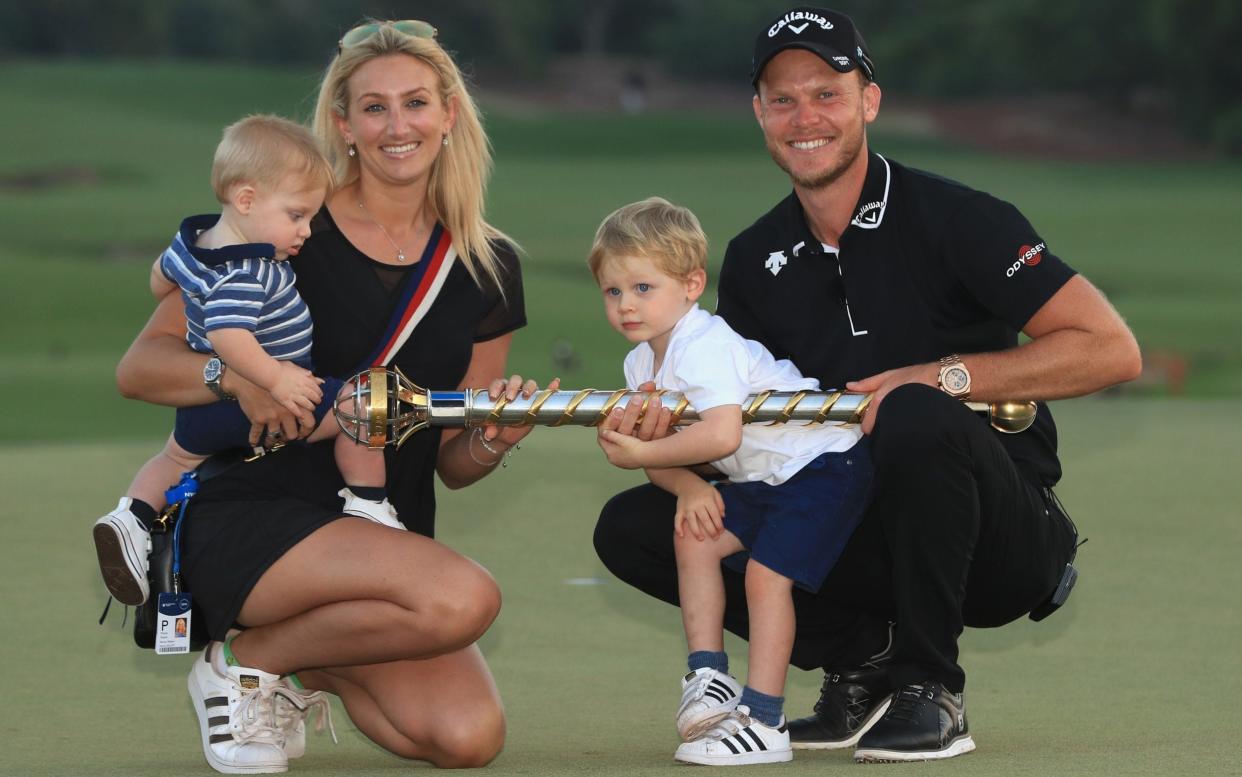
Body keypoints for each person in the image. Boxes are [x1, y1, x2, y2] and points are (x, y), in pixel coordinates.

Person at [592, 6, 1142, 763]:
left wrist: (943, 375)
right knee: (642, 524)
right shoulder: (755, 259)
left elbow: (1111, 350)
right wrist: (671, 445)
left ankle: (932, 686)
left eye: (827, 92)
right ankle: (869, 663)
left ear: (868, 101)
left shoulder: (959, 218)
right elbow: (753, 430)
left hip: (1000, 535)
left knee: (914, 412)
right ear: (759, 113)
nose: (804, 117)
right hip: (855, 517)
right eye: (782, 99)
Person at [115, 19, 545, 772]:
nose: (396, 125)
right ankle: (242, 663)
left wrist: (493, 437)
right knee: (463, 600)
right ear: (343, 125)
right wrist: (240, 378)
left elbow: (451, 461)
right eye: (373, 107)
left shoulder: (489, 264)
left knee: (466, 737)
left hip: (375, 536)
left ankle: (287, 659)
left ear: (449, 113)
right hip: (247, 512)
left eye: (416, 103)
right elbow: (141, 367)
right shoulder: (283, 228)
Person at [590, 198, 873, 766]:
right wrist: (688, 487)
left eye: (643, 288)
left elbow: (720, 435)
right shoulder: (640, 363)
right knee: (695, 535)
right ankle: (709, 679)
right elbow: (667, 458)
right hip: (766, 478)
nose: (625, 306)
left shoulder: (705, 346)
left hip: (821, 465)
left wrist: (645, 449)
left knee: (767, 578)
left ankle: (765, 720)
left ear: (692, 284)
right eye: (613, 292)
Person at [92, 115, 397, 609]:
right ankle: (368, 506)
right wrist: (274, 377)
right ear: (247, 200)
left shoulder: (192, 241)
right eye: (296, 215)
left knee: (174, 458)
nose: (305, 231)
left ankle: (130, 519)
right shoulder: (251, 269)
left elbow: (159, 279)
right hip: (262, 398)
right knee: (359, 409)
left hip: (201, 408)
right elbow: (228, 336)